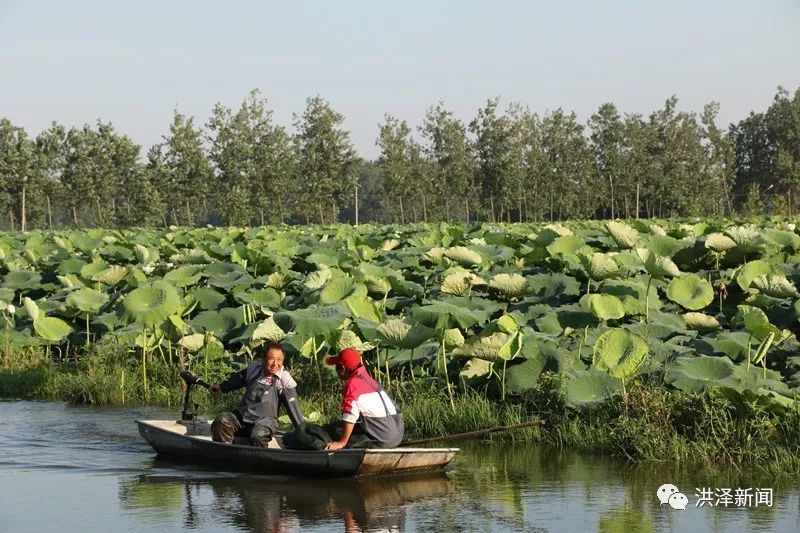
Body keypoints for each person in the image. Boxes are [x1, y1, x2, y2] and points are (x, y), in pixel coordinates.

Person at [209, 343, 304, 447]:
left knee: (258, 434)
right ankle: (224, 453)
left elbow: (294, 410)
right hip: (242, 416)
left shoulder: (285, 380)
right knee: (221, 420)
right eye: (271, 359)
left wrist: (304, 434)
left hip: (265, 422)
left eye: (279, 360)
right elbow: (238, 379)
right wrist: (222, 387)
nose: (275, 363)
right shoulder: (255, 368)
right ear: (264, 359)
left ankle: (259, 458)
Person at [324, 347, 404, 450]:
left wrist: (342, 442)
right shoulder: (369, 379)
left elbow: (350, 415)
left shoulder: (353, 384)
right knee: (341, 427)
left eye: (337, 368)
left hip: (383, 439)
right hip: (397, 435)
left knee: (333, 431)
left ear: (343, 369)